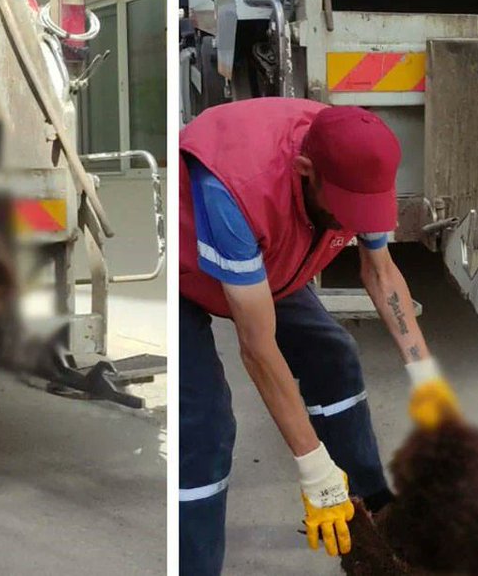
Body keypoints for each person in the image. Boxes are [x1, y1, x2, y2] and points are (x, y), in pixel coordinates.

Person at [178, 98, 461, 574]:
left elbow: (382, 272)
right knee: (204, 427)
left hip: (268, 261)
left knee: (335, 356)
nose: (355, 221)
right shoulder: (236, 188)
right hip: (190, 274)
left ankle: (371, 516)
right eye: (347, 209)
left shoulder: (356, 158)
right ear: (306, 172)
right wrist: (314, 469)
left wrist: (427, 377)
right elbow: (258, 347)